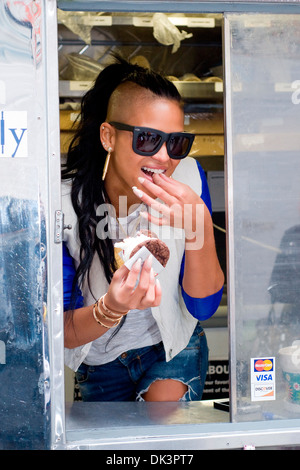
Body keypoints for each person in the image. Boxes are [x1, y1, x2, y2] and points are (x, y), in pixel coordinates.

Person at [62, 55, 224, 402]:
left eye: (176, 142)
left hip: (171, 349)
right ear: (108, 136)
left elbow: (203, 307)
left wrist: (201, 226)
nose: (165, 158)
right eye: (148, 139)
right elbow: (58, 330)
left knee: (157, 445)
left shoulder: (189, 179)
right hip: (99, 362)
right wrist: (112, 308)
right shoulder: (65, 204)